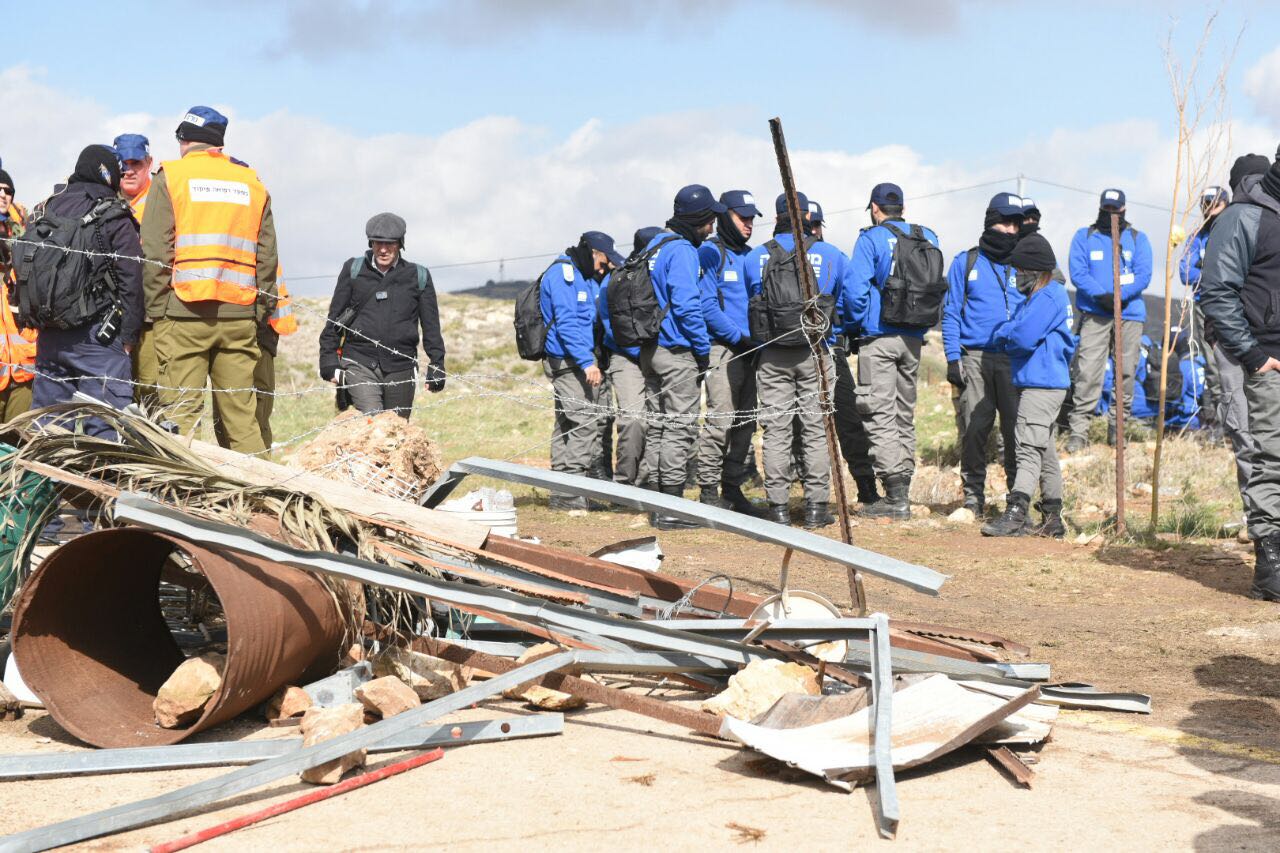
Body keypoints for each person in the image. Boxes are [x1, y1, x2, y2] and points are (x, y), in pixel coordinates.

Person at [141, 106, 279, 452]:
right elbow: (267, 257)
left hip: (183, 313)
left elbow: (156, 251)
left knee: (180, 418)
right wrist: (258, 312)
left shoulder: (171, 177)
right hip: (239, 315)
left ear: (184, 139)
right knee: (242, 421)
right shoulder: (251, 182)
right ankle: (259, 499)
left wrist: (160, 310)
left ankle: (179, 501)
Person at [1199, 147, 1280, 601]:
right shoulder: (1244, 217)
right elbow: (1217, 291)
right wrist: (1253, 355)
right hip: (1269, 360)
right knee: (1270, 457)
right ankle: (1271, 564)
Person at [25, 145, 143, 435]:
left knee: (47, 428)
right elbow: (132, 278)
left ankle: (41, 479)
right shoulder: (113, 214)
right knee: (104, 429)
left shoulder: (45, 209)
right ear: (108, 175)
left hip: (50, 336)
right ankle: (104, 480)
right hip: (98, 339)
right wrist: (128, 337)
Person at [746, 192, 847, 528]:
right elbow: (848, 303)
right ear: (807, 217)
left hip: (772, 352)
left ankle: (778, 508)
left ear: (775, 218)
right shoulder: (830, 255)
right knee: (816, 430)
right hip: (815, 352)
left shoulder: (756, 257)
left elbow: (748, 302)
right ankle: (817, 507)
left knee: (775, 430)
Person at [845, 182, 941, 520]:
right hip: (914, 338)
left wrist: (852, 326)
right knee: (904, 413)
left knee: (877, 412)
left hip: (879, 336)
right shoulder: (928, 236)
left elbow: (855, 290)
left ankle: (896, 496)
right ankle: (904, 486)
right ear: (902, 206)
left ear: (874, 208)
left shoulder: (870, 239)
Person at [982, 233, 1075, 538]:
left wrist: (1008, 334)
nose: (1017, 275)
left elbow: (1019, 337)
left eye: (1021, 270)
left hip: (1041, 385)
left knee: (1026, 449)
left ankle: (1017, 512)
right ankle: (1053, 518)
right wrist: (1009, 332)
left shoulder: (1049, 296)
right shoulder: (1038, 298)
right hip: (1042, 383)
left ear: (1035, 270)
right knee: (1043, 449)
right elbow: (1011, 330)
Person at [942, 192, 1025, 516]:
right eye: (1005, 222)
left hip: (1014, 360)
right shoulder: (967, 262)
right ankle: (973, 498)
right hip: (975, 358)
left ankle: (1016, 500)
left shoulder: (1024, 263)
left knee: (1015, 432)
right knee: (975, 429)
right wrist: (952, 357)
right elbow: (950, 313)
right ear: (991, 222)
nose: (1010, 229)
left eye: (1016, 223)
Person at [640, 184, 717, 529]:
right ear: (697, 219)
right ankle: (672, 509)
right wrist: (702, 351)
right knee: (678, 428)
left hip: (649, 349)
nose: (712, 228)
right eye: (709, 220)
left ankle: (657, 504)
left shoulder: (654, 245)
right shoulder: (683, 250)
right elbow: (687, 305)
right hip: (676, 349)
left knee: (658, 426)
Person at [318, 213, 446, 419]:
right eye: (378, 243)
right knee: (374, 422)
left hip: (400, 367)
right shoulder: (353, 270)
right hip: (358, 361)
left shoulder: (418, 277)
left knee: (396, 431)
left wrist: (437, 364)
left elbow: (431, 326)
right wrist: (328, 361)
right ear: (371, 242)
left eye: (390, 243)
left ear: (400, 244)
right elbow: (334, 320)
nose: (383, 249)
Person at [1064, 189, 1153, 452]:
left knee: (1125, 372)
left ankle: (1118, 431)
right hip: (1095, 314)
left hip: (1129, 315)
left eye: (1116, 209)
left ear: (1124, 209)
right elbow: (1077, 273)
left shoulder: (1138, 239)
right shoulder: (1084, 237)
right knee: (1088, 372)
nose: (1112, 214)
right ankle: (1079, 432)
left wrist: (1119, 296)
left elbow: (1143, 274)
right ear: (1101, 208)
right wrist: (1100, 295)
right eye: (1107, 209)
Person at [538, 231, 620, 509]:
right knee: (585, 424)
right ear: (594, 252)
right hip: (569, 362)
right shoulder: (564, 275)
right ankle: (571, 494)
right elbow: (567, 323)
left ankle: (562, 492)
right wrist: (587, 362)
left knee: (566, 424)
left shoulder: (580, 274)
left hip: (573, 360)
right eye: (604, 261)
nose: (604, 267)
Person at [694, 189, 764, 515]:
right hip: (723, 351)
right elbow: (706, 305)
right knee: (720, 419)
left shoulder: (751, 256)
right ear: (726, 217)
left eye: (752, 218)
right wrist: (738, 336)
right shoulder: (710, 253)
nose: (749, 224)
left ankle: (732, 487)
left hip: (753, 350)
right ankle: (708, 490)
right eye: (742, 217)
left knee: (746, 423)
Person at [1212, 154, 1272, 526]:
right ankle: (1262, 526)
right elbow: (1217, 292)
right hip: (1243, 348)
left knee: (1252, 438)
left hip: (1256, 348)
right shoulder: (1236, 221)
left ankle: (1261, 524)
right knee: (1250, 435)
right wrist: (1252, 353)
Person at [600, 226, 660, 486]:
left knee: (659, 422)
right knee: (634, 419)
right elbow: (609, 326)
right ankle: (624, 482)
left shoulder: (661, 276)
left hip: (657, 356)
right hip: (626, 357)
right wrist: (640, 353)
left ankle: (648, 482)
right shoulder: (614, 281)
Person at [113, 133, 160, 410]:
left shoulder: (161, 199)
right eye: (122, 163)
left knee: (152, 391)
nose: (129, 170)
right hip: (115, 316)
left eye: (136, 163)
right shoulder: (106, 201)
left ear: (149, 162)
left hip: (151, 316)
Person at [1180, 186, 1230, 439]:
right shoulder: (1196, 236)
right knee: (1211, 365)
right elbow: (1184, 272)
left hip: (1230, 306)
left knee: (1232, 364)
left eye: (1214, 203)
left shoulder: (1233, 230)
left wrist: (1206, 272)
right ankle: (1217, 423)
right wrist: (1210, 274)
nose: (1209, 209)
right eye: (1205, 204)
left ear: (1226, 203)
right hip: (1202, 306)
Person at [0, 167, 36, 420]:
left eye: (8, 191)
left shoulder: (28, 237)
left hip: (24, 367)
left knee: (17, 443)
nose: (4, 195)